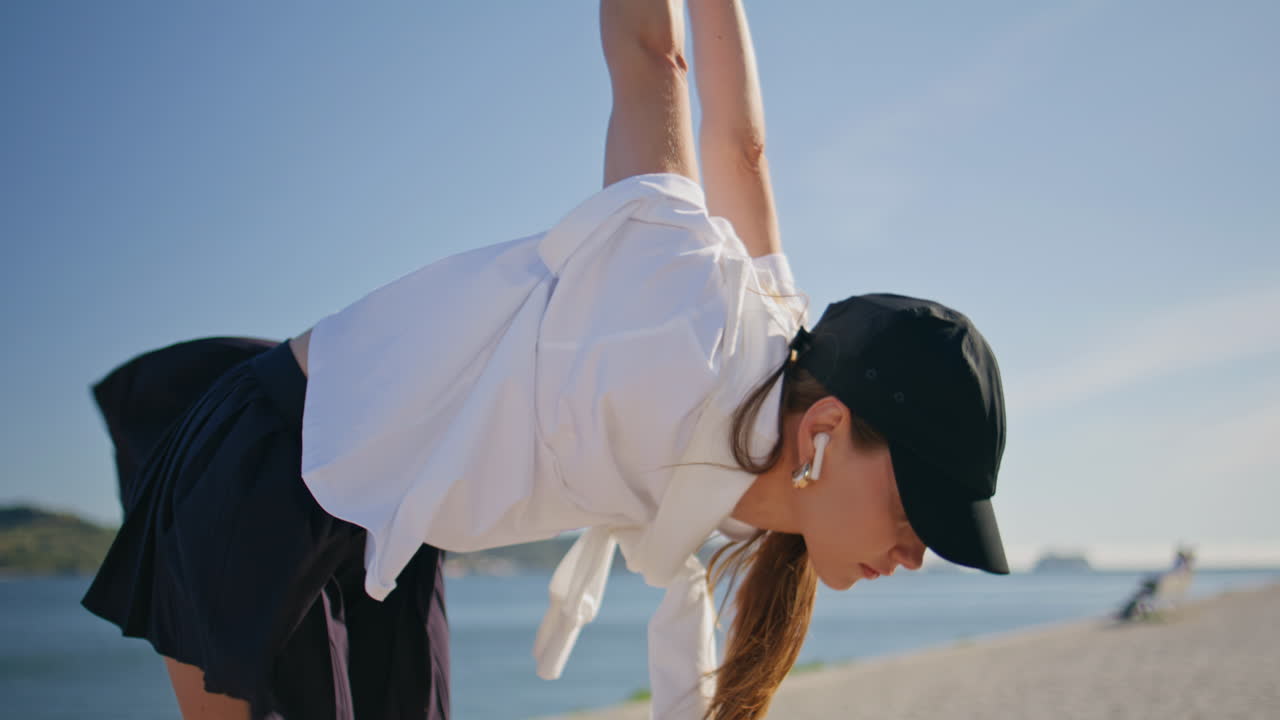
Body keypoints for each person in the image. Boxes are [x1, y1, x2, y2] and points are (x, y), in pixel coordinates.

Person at [83, 1, 1010, 719]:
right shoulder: (679, 305)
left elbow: (747, 149)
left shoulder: (778, 343)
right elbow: (658, 59)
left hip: (388, 536)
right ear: (827, 430)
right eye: (913, 509)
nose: (917, 553)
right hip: (277, 474)